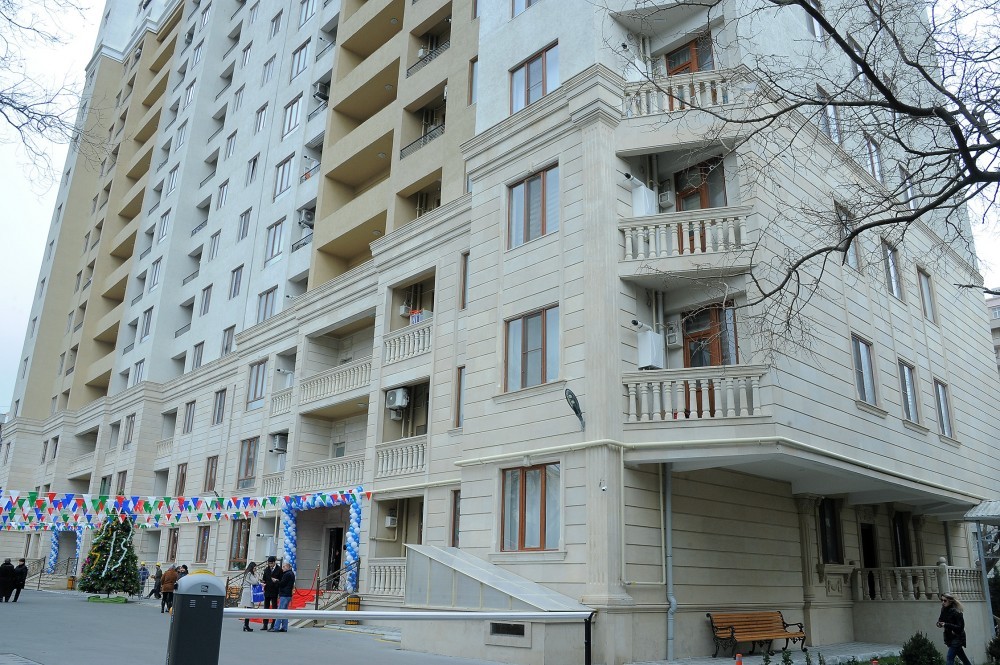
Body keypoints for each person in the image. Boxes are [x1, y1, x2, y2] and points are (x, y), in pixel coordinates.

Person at [937, 593, 973, 665]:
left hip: (957, 637)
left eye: (945, 600)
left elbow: (960, 627)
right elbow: (940, 620)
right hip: (949, 637)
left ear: (950, 601)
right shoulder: (943, 610)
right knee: (963, 658)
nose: (943, 602)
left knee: (950, 657)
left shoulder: (956, 611)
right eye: (942, 600)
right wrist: (939, 624)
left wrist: (946, 624)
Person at [269, 563, 295, 632]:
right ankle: (284, 627)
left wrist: (276, 581)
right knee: (284, 611)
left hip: (284, 594)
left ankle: (276, 627)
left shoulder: (287, 574)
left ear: (287, 567)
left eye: (284, 567)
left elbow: (282, 584)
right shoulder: (291, 574)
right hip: (288, 594)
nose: (282, 568)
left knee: (280, 611)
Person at [261, 556, 281, 632]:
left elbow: (281, 581)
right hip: (267, 591)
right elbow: (264, 579)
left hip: (275, 591)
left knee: (274, 608)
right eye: (269, 563)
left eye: (271, 563)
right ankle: (265, 624)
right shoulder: (266, 569)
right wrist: (263, 583)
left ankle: (273, 624)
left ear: (274, 562)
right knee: (266, 608)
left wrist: (277, 583)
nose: (270, 565)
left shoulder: (279, 569)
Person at [240, 561, 259, 632]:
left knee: (248, 609)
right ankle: (246, 625)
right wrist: (256, 575)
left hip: (247, 591)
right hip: (248, 592)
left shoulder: (247, 573)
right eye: (254, 568)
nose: (255, 570)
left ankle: (246, 625)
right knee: (249, 609)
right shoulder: (249, 574)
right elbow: (255, 582)